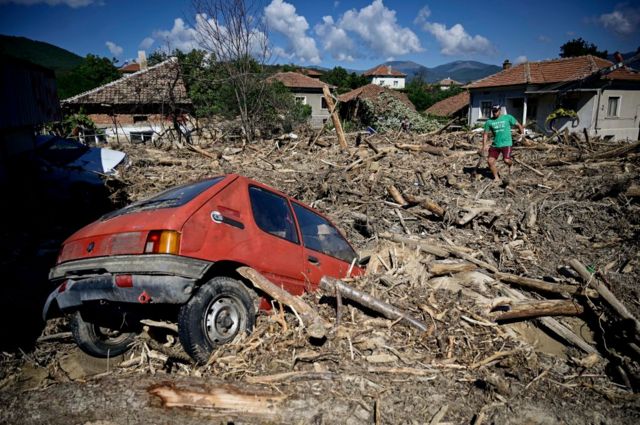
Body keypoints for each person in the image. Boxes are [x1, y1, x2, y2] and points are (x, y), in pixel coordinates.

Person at [481, 105, 524, 181]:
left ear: (500, 110)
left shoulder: (507, 117)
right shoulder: (489, 122)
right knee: (490, 161)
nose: (494, 113)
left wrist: (522, 134)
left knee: (506, 160)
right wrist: (484, 145)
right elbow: (485, 134)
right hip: (496, 144)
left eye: (496, 111)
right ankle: (496, 177)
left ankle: (511, 165)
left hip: (507, 144)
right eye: (493, 111)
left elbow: (518, 125)